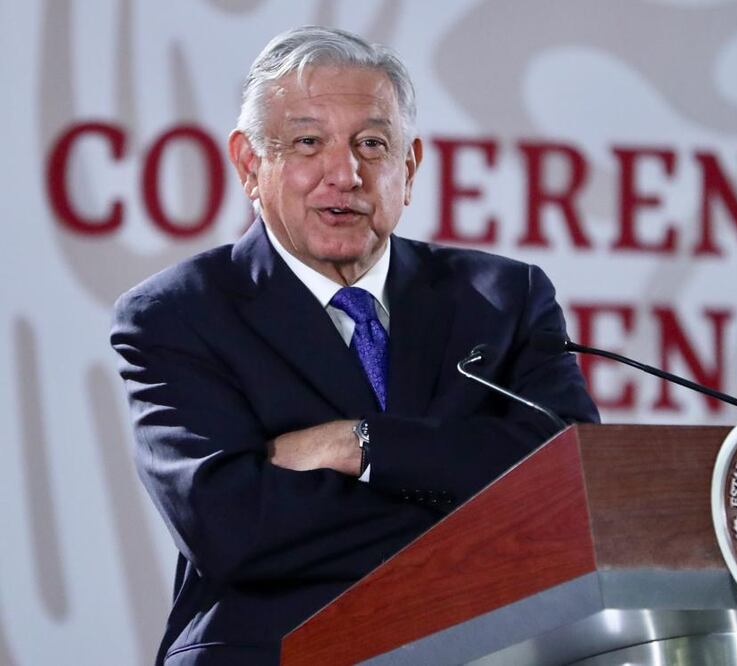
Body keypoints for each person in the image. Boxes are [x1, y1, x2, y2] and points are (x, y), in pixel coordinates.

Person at [111, 25, 598, 665]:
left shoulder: (502, 297)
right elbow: (232, 526)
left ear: (410, 167)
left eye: (372, 144)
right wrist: (485, 516)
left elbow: (574, 480)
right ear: (250, 164)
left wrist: (363, 444)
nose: (344, 173)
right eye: (308, 142)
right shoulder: (178, 315)